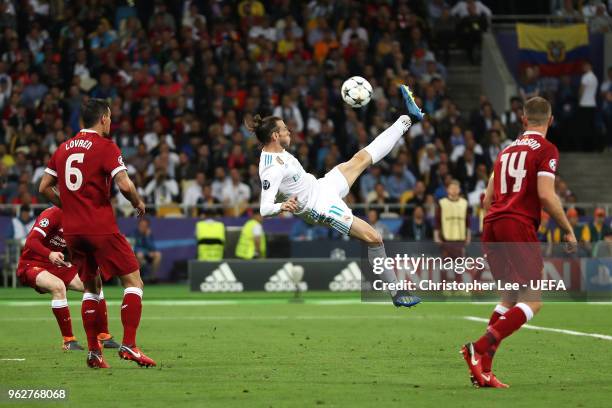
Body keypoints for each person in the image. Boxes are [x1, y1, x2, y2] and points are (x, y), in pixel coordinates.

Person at [253, 85, 425, 308]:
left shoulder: (277, 150)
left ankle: (408, 118)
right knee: (374, 238)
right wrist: (282, 205)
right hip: (318, 207)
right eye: (285, 130)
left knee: (360, 158)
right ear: (275, 136)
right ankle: (397, 292)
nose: (289, 132)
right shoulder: (270, 168)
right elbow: (264, 209)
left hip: (321, 187)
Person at [461, 97, 576, 388]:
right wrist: (567, 228)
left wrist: (498, 223)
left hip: (493, 225)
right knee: (533, 302)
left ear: (523, 120)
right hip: (517, 225)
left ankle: (483, 371)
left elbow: (487, 198)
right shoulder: (546, 150)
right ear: (550, 121)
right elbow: (546, 195)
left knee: (509, 298)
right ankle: (478, 347)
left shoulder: (506, 150)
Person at [39, 98, 155, 368]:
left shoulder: (63, 148)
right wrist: (137, 202)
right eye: (110, 118)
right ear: (103, 118)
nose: (111, 122)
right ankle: (129, 345)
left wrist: (68, 206)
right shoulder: (105, 146)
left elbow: (44, 186)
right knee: (134, 282)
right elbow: (124, 184)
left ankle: (94, 352)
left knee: (92, 289)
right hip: (99, 227)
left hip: (74, 231)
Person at [17, 206, 119, 351]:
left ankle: (103, 336)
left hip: (56, 264)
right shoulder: (52, 213)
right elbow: (31, 241)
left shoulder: (81, 217)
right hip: (31, 264)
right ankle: (68, 341)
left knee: (94, 284)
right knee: (58, 286)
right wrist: (50, 254)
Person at [132, 218, 162, 283]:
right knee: (140, 255)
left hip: (147, 255)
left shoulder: (149, 235)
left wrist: (147, 237)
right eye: (141, 226)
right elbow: (134, 247)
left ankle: (152, 277)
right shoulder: (134, 234)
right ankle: (138, 278)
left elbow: (153, 248)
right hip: (137, 256)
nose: (142, 228)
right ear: (138, 225)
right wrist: (146, 252)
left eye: (145, 226)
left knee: (158, 255)